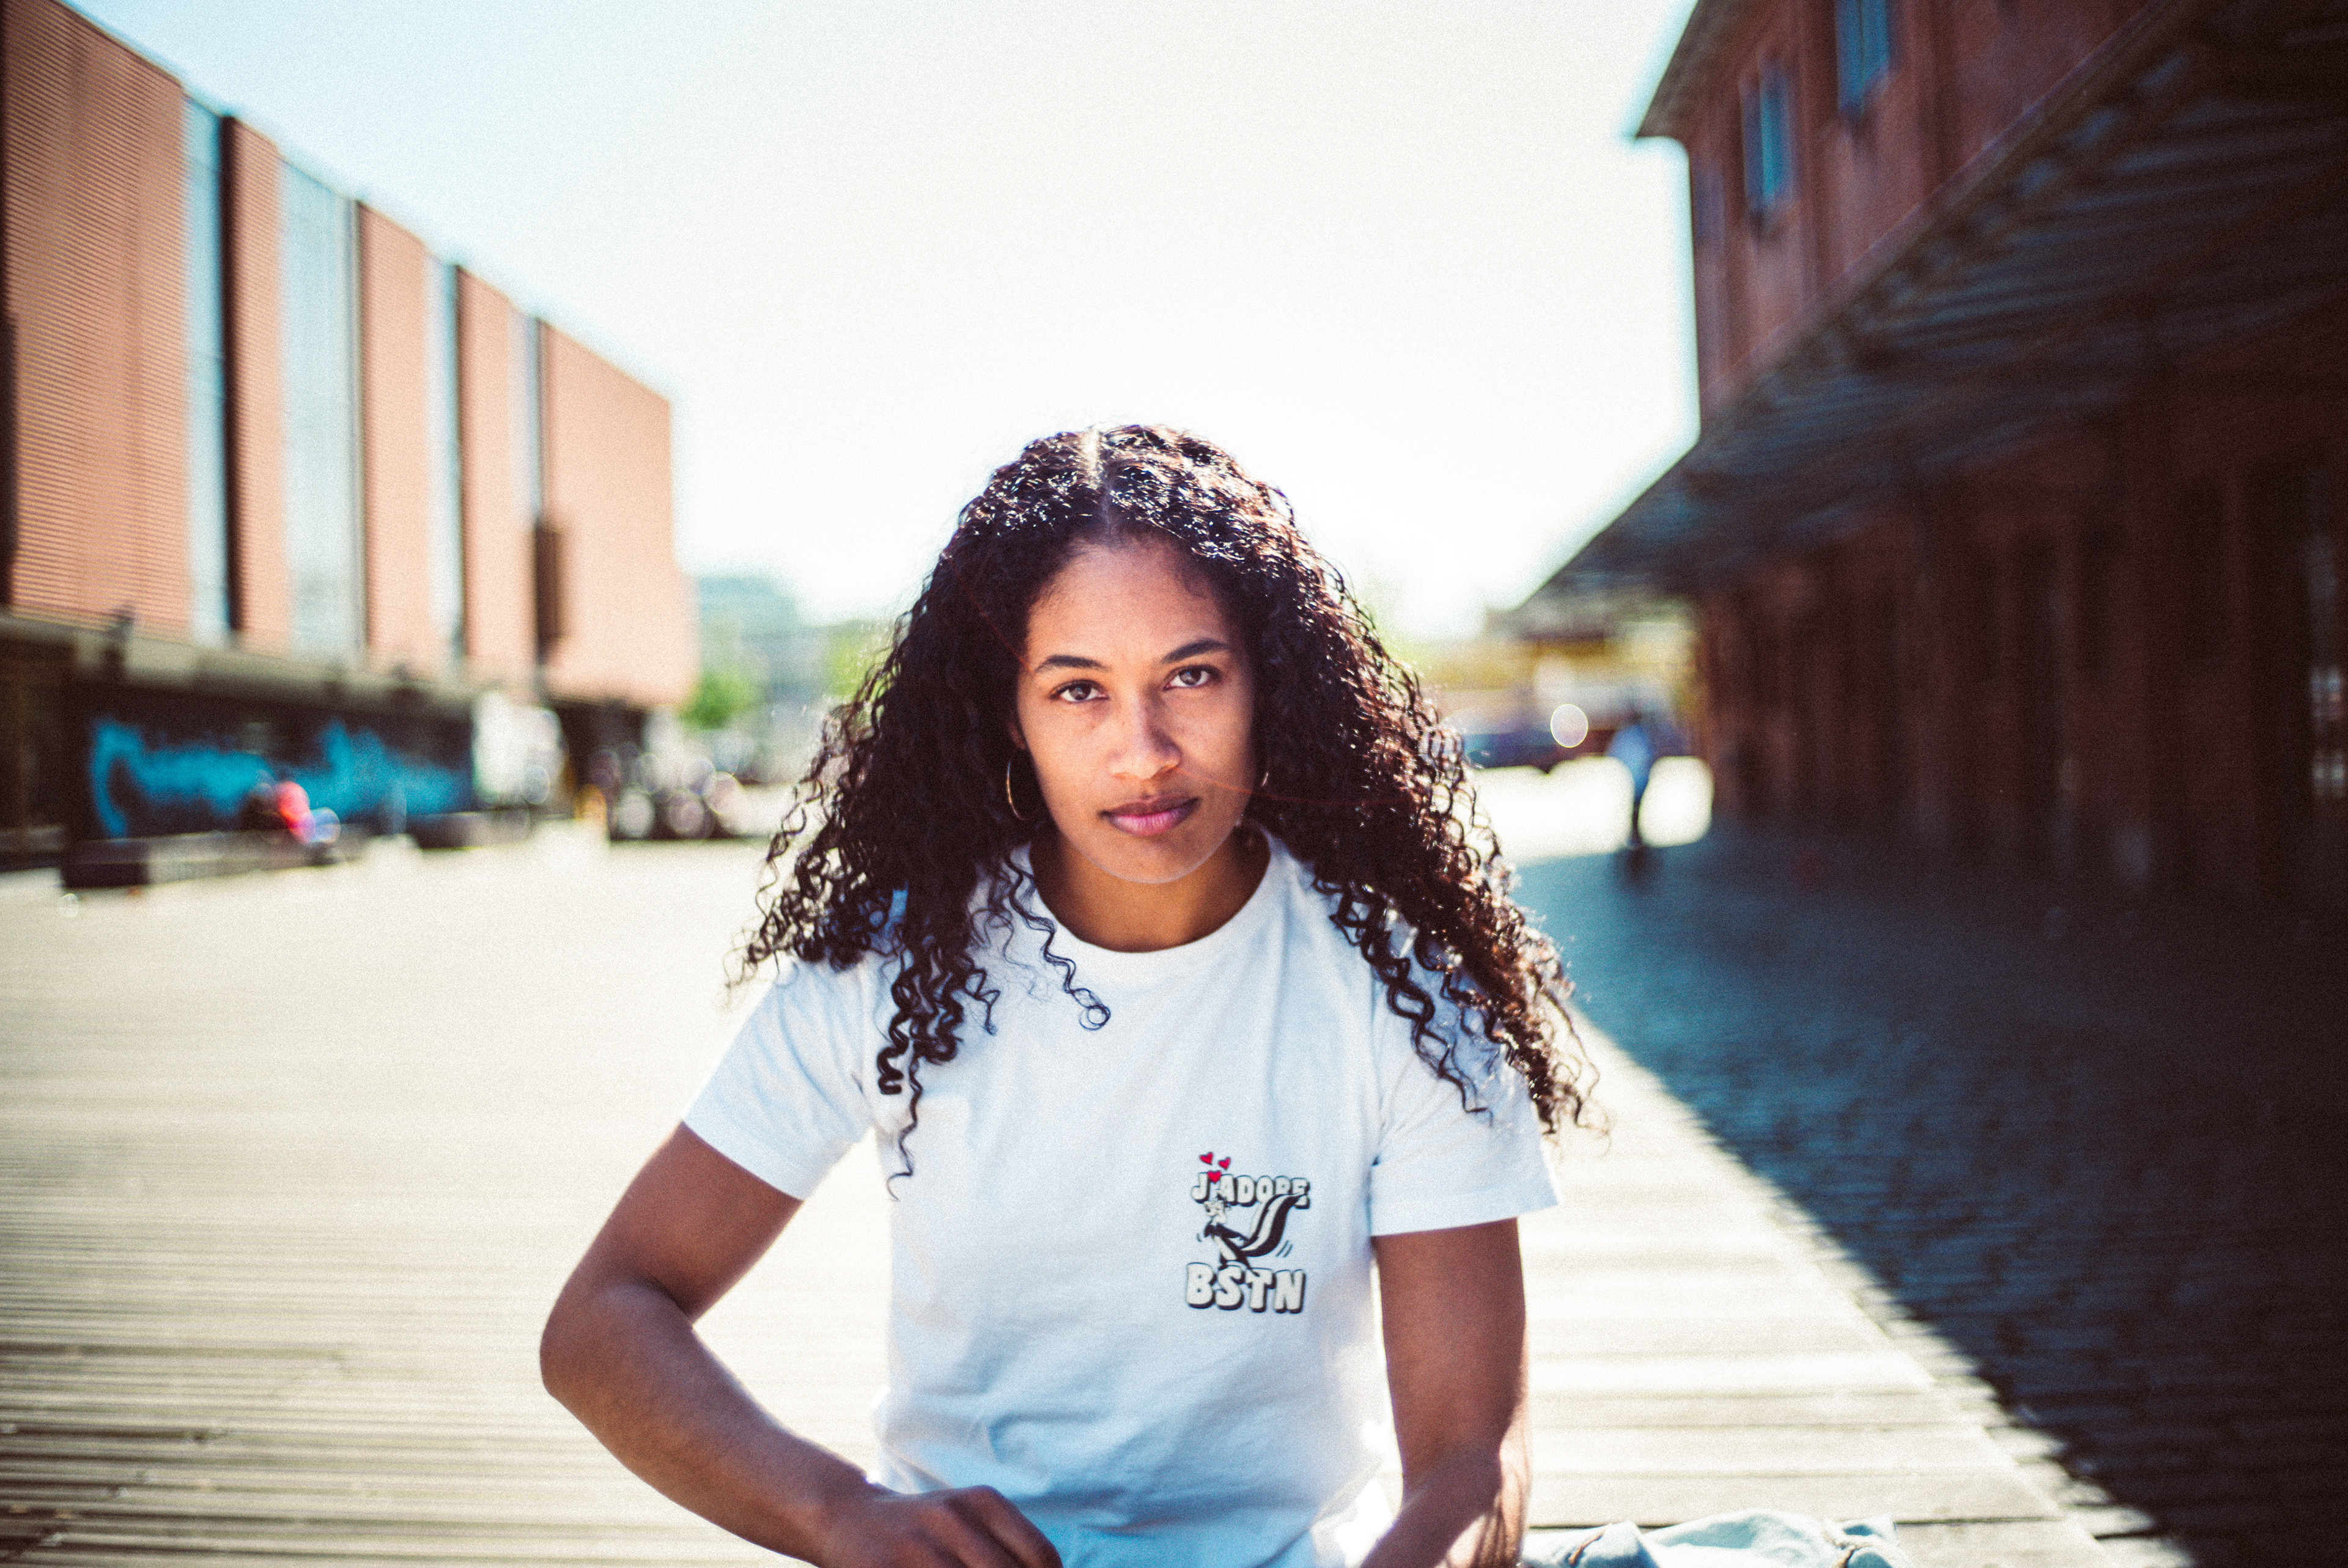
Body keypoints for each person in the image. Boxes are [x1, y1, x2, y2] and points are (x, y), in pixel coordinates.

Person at [541, 426, 1590, 1568]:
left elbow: (1474, 1459)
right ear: (1012, 715)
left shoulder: (1401, 990)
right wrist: (838, 1513)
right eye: (1078, 689)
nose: (1143, 752)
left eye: (1192, 676)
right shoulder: (896, 970)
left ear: (1267, 683)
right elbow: (603, 1318)